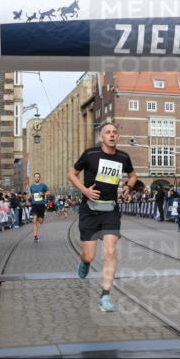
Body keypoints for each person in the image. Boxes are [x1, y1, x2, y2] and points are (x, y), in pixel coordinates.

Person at [68, 122, 136, 312]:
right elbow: (72, 174)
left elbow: (133, 175)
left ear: (118, 137)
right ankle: (84, 262)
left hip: (110, 211)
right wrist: (84, 190)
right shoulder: (90, 154)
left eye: (114, 132)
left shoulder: (123, 157)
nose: (112, 135)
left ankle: (105, 296)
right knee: (89, 254)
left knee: (110, 252)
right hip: (89, 210)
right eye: (108, 132)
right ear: (101, 137)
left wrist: (128, 187)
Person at [28, 173, 49, 242]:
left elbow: (48, 192)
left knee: (41, 221)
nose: (36, 178)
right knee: (34, 221)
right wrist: (28, 199)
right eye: (35, 177)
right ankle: (35, 236)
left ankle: (39, 218)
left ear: (39, 178)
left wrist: (43, 194)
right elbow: (31, 194)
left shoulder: (43, 186)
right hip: (34, 205)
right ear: (34, 178)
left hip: (41, 205)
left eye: (38, 177)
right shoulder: (32, 186)